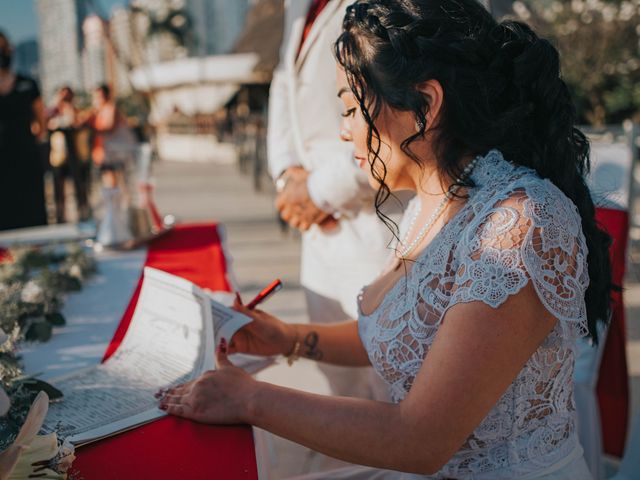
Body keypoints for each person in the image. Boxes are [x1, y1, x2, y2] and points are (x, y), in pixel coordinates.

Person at [159, 1, 613, 478]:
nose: (342, 132)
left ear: (425, 105)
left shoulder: (517, 224)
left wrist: (250, 399)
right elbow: (410, 334)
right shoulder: (429, 204)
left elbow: (419, 439)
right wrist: (289, 338)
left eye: (352, 108)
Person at [268, 0, 407, 399]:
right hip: (318, 231)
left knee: (392, 381)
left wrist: (318, 192)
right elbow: (284, 81)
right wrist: (287, 175)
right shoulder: (297, 7)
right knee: (338, 385)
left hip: (384, 220)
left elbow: (402, 116)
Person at [0, 30, 48, 231]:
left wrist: (33, 141)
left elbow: (41, 121)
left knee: (32, 212)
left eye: (5, 47)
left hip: (26, 158)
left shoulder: (28, 84)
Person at [46, 86, 91, 222]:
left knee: (79, 185)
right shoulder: (54, 112)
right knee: (58, 187)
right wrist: (56, 103)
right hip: (59, 156)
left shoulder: (76, 110)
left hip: (75, 155)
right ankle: (61, 215)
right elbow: (44, 117)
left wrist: (69, 109)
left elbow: (78, 121)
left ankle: (82, 211)